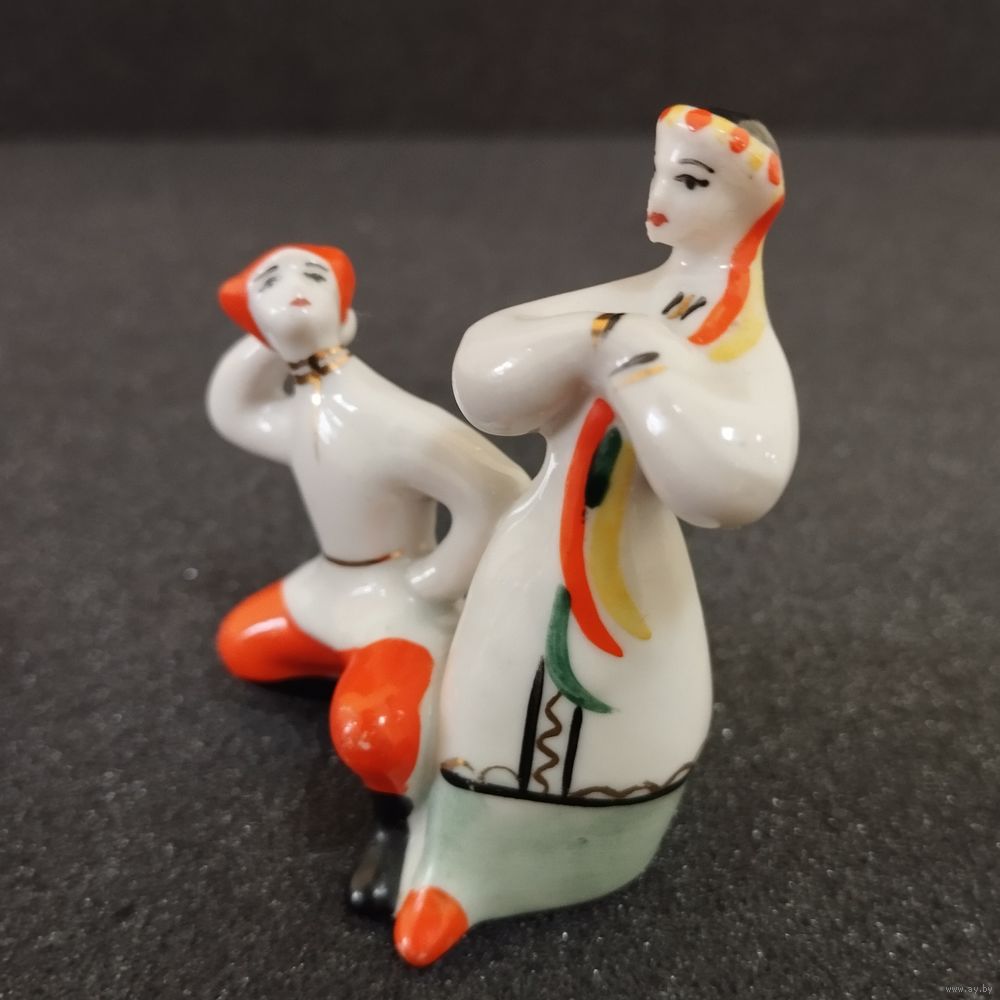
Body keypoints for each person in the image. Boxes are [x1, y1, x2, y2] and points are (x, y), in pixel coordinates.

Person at [393, 107, 799, 965]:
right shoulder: (629, 301)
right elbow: (485, 377)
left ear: (752, 203)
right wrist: (601, 336)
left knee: (621, 718)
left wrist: (639, 366)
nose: (659, 195)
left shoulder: (743, 343)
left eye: (690, 181)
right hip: (540, 545)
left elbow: (735, 483)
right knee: (495, 694)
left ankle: (575, 861)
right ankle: (455, 865)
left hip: (633, 574)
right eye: (660, 171)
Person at [206, 243, 528, 915]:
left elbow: (500, 491)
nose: (292, 285)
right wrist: (271, 340)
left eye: (313, 275)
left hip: (396, 599)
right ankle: (348, 671)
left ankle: (402, 826)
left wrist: (438, 580)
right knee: (242, 646)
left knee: (375, 733)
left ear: (343, 309)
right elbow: (233, 411)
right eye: (270, 280)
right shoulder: (303, 408)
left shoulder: (383, 414)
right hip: (327, 586)